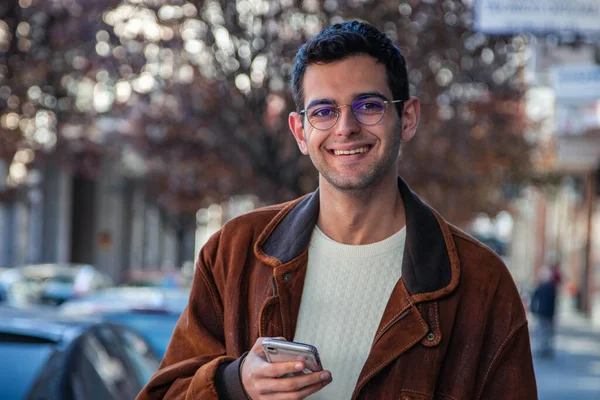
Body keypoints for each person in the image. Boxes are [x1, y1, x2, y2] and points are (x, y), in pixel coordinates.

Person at [137, 20, 537, 400]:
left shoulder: (481, 284)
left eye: (368, 105)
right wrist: (233, 383)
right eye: (324, 111)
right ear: (300, 131)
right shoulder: (233, 253)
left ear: (408, 117)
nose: (345, 127)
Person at [530, 267, 558, 358]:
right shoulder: (550, 287)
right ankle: (544, 349)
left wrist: (533, 310)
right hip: (546, 313)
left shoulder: (544, 287)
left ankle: (544, 349)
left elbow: (534, 299)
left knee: (544, 332)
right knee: (545, 332)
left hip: (543, 313)